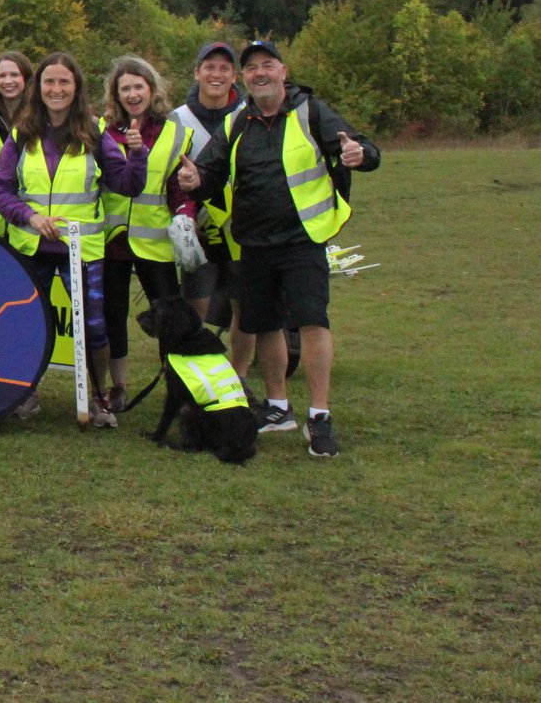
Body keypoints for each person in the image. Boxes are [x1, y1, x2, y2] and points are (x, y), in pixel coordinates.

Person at [179, 40, 380, 458]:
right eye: (252, 68)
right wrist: (195, 180)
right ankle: (278, 407)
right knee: (265, 324)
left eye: (267, 65)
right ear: (245, 78)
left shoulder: (311, 111)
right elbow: (211, 171)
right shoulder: (237, 121)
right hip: (253, 243)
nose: (260, 73)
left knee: (312, 321)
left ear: (283, 72)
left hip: (303, 240)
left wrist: (360, 154)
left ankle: (319, 415)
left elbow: (364, 149)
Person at [0, 52, 147, 428]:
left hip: (82, 250)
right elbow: (1, 189)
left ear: (76, 87)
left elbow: (128, 184)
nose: (56, 89)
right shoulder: (22, 133)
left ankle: (99, 397)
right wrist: (31, 217)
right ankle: (25, 392)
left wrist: (137, 155)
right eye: (49, 81)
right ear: (38, 87)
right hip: (31, 247)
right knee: (27, 323)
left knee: (93, 326)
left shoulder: (95, 133)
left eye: (64, 82)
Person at [99, 56, 195, 413]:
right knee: (112, 315)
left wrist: (185, 218)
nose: (132, 94)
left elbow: (180, 188)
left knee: (170, 319)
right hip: (111, 239)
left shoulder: (175, 134)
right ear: (116, 94)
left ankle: (178, 387)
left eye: (138, 86)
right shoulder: (101, 130)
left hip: (155, 240)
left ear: (152, 90)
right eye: (125, 88)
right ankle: (118, 386)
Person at [169, 41, 249, 371]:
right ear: (197, 73)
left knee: (244, 309)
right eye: (210, 67)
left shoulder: (250, 114)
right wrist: (184, 219)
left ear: (234, 76)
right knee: (195, 306)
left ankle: (239, 376)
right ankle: (195, 376)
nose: (216, 75)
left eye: (224, 68)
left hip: (242, 231)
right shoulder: (178, 119)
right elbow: (168, 176)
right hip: (199, 229)